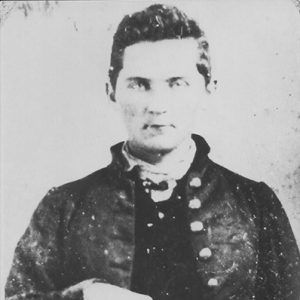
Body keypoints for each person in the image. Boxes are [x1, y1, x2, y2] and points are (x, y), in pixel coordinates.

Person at [5, 4, 300, 300]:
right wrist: (83, 297)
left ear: (208, 88)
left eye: (177, 83)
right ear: (111, 90)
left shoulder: (256, 204)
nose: (157, 104)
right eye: (139, 84)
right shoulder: (63, 207)